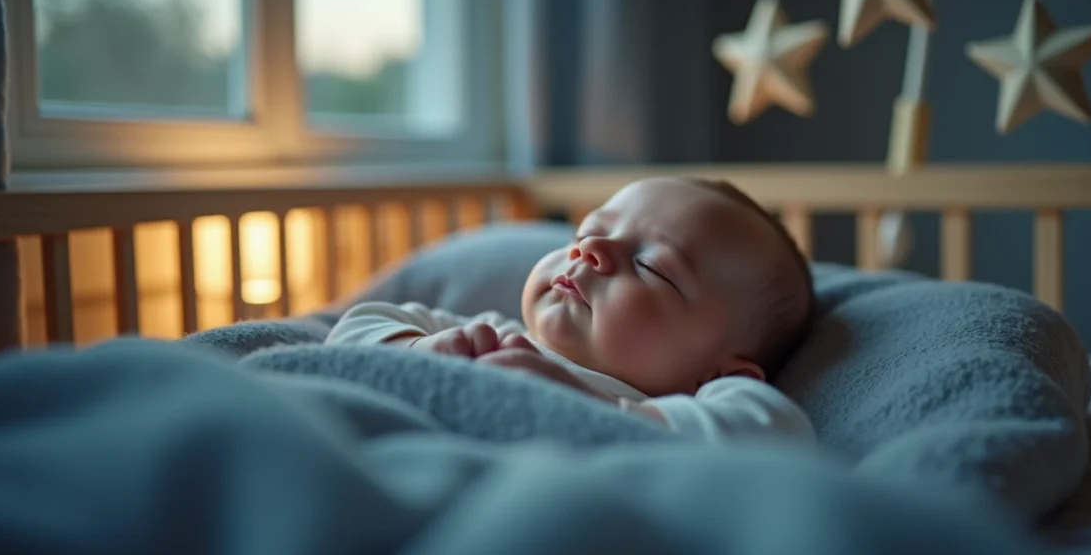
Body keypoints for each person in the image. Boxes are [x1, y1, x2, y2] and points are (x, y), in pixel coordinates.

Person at [325, 176, 817, 445]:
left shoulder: (684, 412)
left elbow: (778, 435)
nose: (590, 250)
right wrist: (420, 350)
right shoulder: (487, 336)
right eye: (586, 233)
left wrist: (594, 407)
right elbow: (354, 331)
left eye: (650, 266)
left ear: (719, 373)